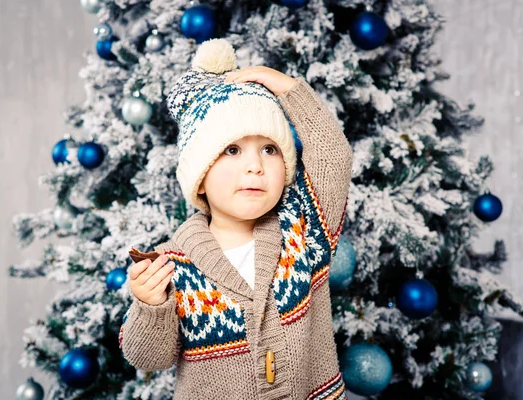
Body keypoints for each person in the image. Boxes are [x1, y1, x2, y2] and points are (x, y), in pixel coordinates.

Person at [119, 38, 352, 399]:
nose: (255, 166)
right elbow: (149, 357)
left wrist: (289, 89)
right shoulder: (172, 264)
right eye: (232, 150)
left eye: (270, 149)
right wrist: (151, 307)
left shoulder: (302, 228)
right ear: (200, 173)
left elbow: (332, 156)